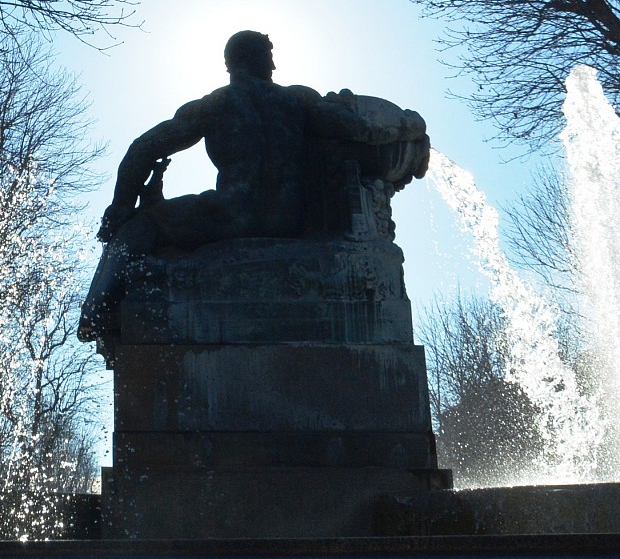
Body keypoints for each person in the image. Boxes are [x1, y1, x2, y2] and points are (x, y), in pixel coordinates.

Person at [76, 29, 428, 342]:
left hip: (231, 216)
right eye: (268, 57)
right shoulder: (298, 100)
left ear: (229, 64)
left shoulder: (216, 105)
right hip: (289, 220)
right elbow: (357, 129)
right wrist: (410, 125)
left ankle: (97, 311)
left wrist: (121, 208)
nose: (273, 66)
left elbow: (142, 149)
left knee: (140, 225)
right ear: (252, 60)